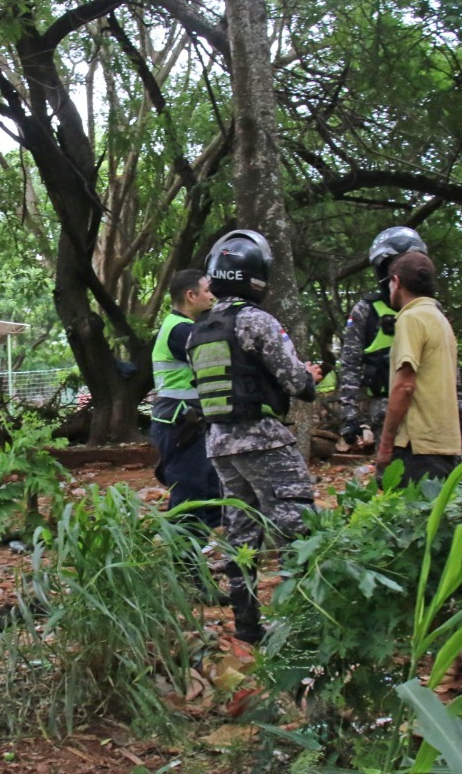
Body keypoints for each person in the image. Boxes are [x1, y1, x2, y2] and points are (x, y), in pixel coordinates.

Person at [186, 230, 324, 643]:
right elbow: (295, 382)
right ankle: (306, 627)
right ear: (255, 276)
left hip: (221, 446)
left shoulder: (199, 331)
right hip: (262, 440)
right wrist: (310, 376)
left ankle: (248, 628)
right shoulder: (256, 321)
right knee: (299, 528)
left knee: (241, 537)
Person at [374, 251, 462, 487]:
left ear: (396, 282)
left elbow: (405, 386)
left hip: (417, 444)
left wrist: (385, 444)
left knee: (414, 520)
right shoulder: (439, 318)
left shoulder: (410, 318)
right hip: (444, 441)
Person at [336, 227, 429, 447]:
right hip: (386, 409)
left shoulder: (431, 310)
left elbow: (448, 363)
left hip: (430, 405)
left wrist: (460, 411)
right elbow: (350, 364)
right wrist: (349, 416)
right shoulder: (366, 310)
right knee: (393, 476)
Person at [150, 270, 221, 536]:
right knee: (189, 492)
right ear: (191, 296)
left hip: (188, 422)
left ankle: (207, 548)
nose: (212, 296)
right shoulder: (181, 331)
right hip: (180, 424)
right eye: (206, 291)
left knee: (211, 488)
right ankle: (185, 561)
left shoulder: (181, 327)